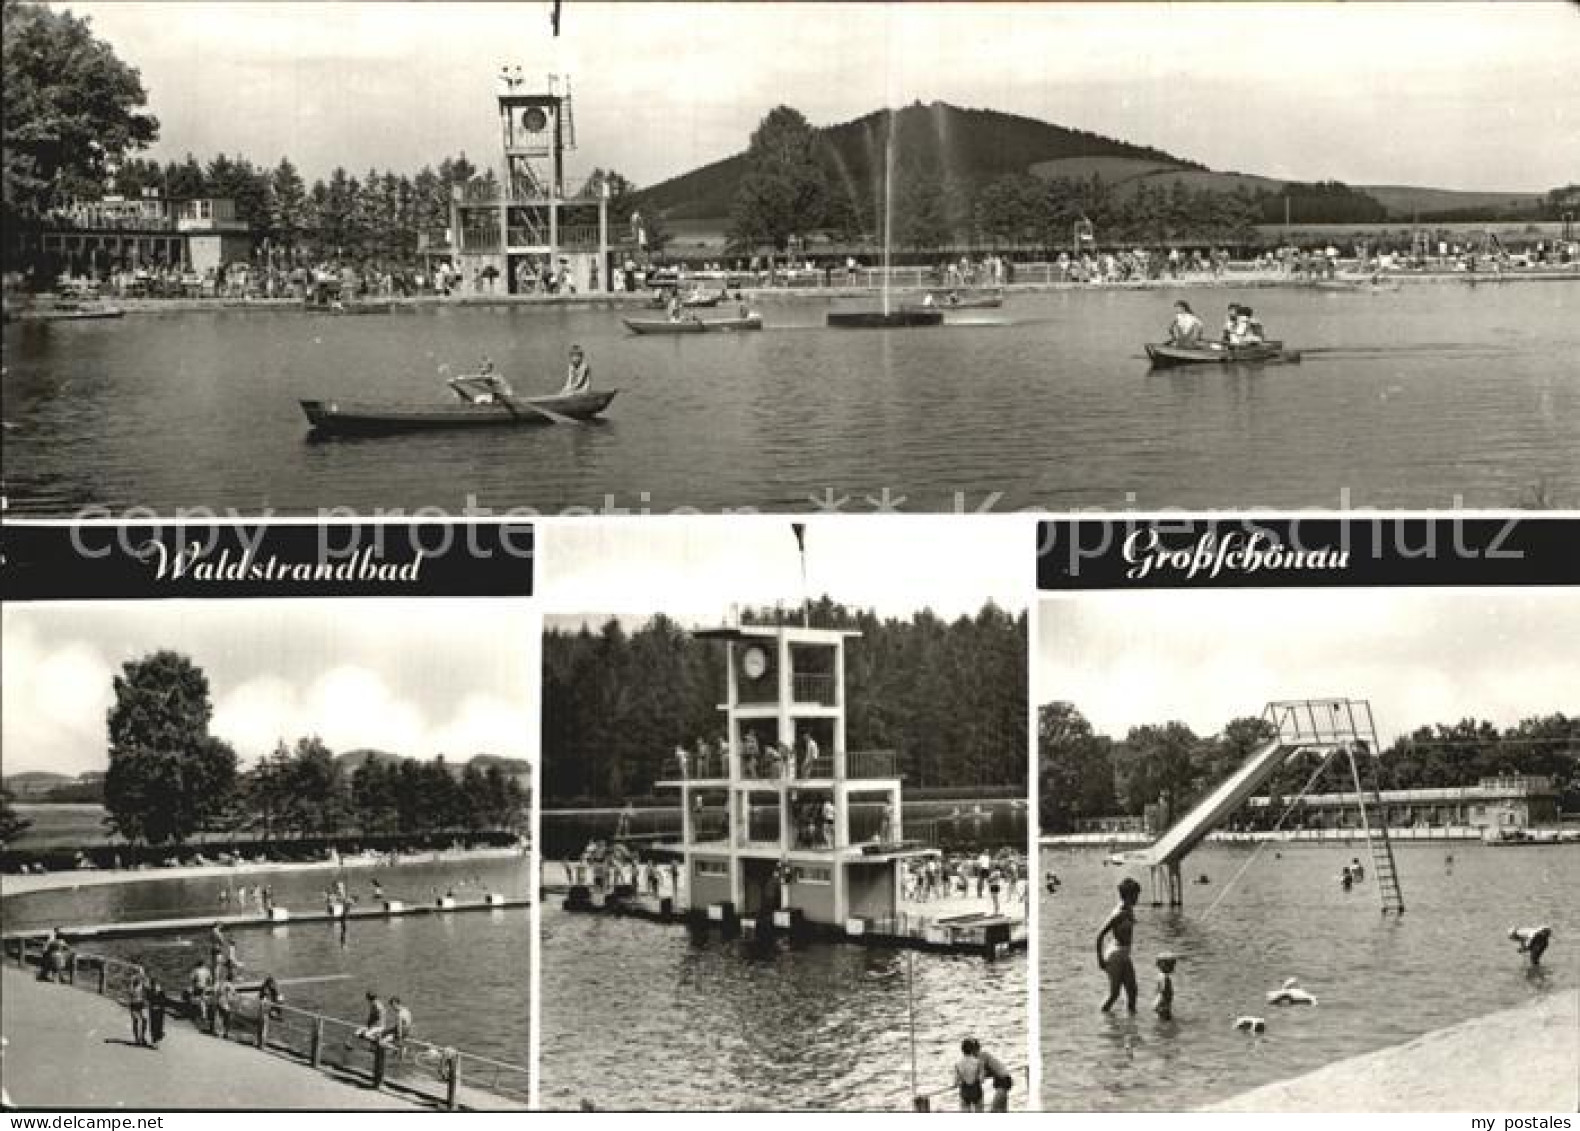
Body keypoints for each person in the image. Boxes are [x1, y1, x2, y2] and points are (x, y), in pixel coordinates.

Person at [1095, 877, 1141, 1013]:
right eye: (1136, 895)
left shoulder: (1129, 909)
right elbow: (1100, 934)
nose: (1137, 898)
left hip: (1124, 955)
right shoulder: (1119, 913)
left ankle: (1132, 1025)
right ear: (1128, 895)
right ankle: (1102, 1019)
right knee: (1114, 994)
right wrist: (1100, 960)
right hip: (1115, 956)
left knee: (1132, 991)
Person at [954, 1037, 987, 1112]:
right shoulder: (978, 1062)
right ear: (972, 1049)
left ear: (962, 1050)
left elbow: (955, 1083)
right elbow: (982, 1080)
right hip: (976, 1090)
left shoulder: (957, 1064)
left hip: (965, 1091)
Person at [979, 1044, 1014, 1112]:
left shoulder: (982, 1056)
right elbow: (991, 1071)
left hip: (1003, 1082)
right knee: (1002, 1110)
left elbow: (982, 1077)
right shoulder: (985, 1055)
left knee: (993, 1110)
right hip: (1003, 1080)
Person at [127, 962, 151, 1046]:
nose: (140, 974)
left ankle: (143, 1037)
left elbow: (148, 989)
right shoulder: (133, 979)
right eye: (138, 971)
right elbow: (130, 991)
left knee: (144, 1019)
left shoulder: (145, 980)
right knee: (135, 1020)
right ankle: (137, 1039)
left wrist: (144, 982)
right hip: (134, 1002)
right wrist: (135, 986)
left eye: (141, 972)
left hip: (142, 1002)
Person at [1154, 953, 1177, 1020]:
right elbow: (1162, 992)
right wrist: (1157, 1004)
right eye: (1172, 965)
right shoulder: (1164, 978)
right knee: (1166, 1022)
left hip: (1163, 1005)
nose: (1173, 968)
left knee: (1163, 1022)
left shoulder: (1161, 976)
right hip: (1163, 1006)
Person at [148, 975, 168, 1048]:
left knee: (159, 1026)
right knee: (153, 1026)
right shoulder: (150, 992)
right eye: (153, 985)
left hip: (160, 1012)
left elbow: (164, 1001)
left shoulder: (161, 993)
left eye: (156, 985)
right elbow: (149, 1000)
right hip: (153, 1011)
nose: (155, 987)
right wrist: (152, 1005)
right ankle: (154, 1041)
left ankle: (158, 1040)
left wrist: (159, 1006)